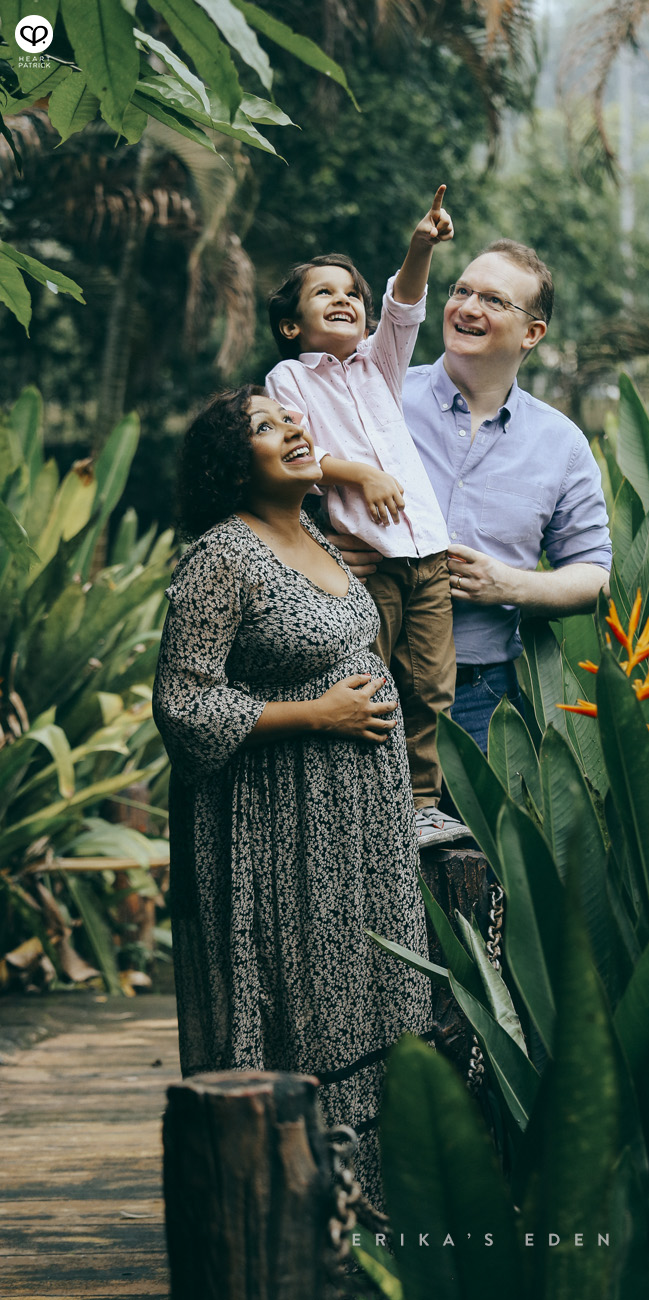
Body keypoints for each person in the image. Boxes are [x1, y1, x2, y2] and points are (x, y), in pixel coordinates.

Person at [152, 386, 431, 1201]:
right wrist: (317, 715)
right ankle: (297, 1212)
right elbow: (184, 707)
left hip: (359, 824)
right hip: (280, 827)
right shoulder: (222, 558)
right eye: (266, 429)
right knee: (305, 1004)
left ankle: (373, 1207)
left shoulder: (311, 531)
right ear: (233, 467)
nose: (293, 430)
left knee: (374, 994)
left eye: (290, 418)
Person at [333, 239, 613, 753]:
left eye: (493, 300)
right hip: (356, 681)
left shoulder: (562, 444)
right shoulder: (377, 399)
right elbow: (289, 490)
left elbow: (595, 575)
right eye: (461, 290)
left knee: (472, 836)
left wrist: (509, 585)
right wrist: (324, 545)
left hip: (481, 695)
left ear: (532, 333)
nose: (467, 307)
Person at [264, 187, 467, 847]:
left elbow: (402, 306)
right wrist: (359, 472)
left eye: (351, 291)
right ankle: (368, 807)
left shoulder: (380, 366)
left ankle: (419, 806)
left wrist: (421, 246)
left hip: (426, 553)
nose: (344, 299)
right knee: (370, 683)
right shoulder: (290, 379)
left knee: (431, 684)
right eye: (323, 293)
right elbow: (295, 453)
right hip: (365, 559)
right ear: (292, 325)